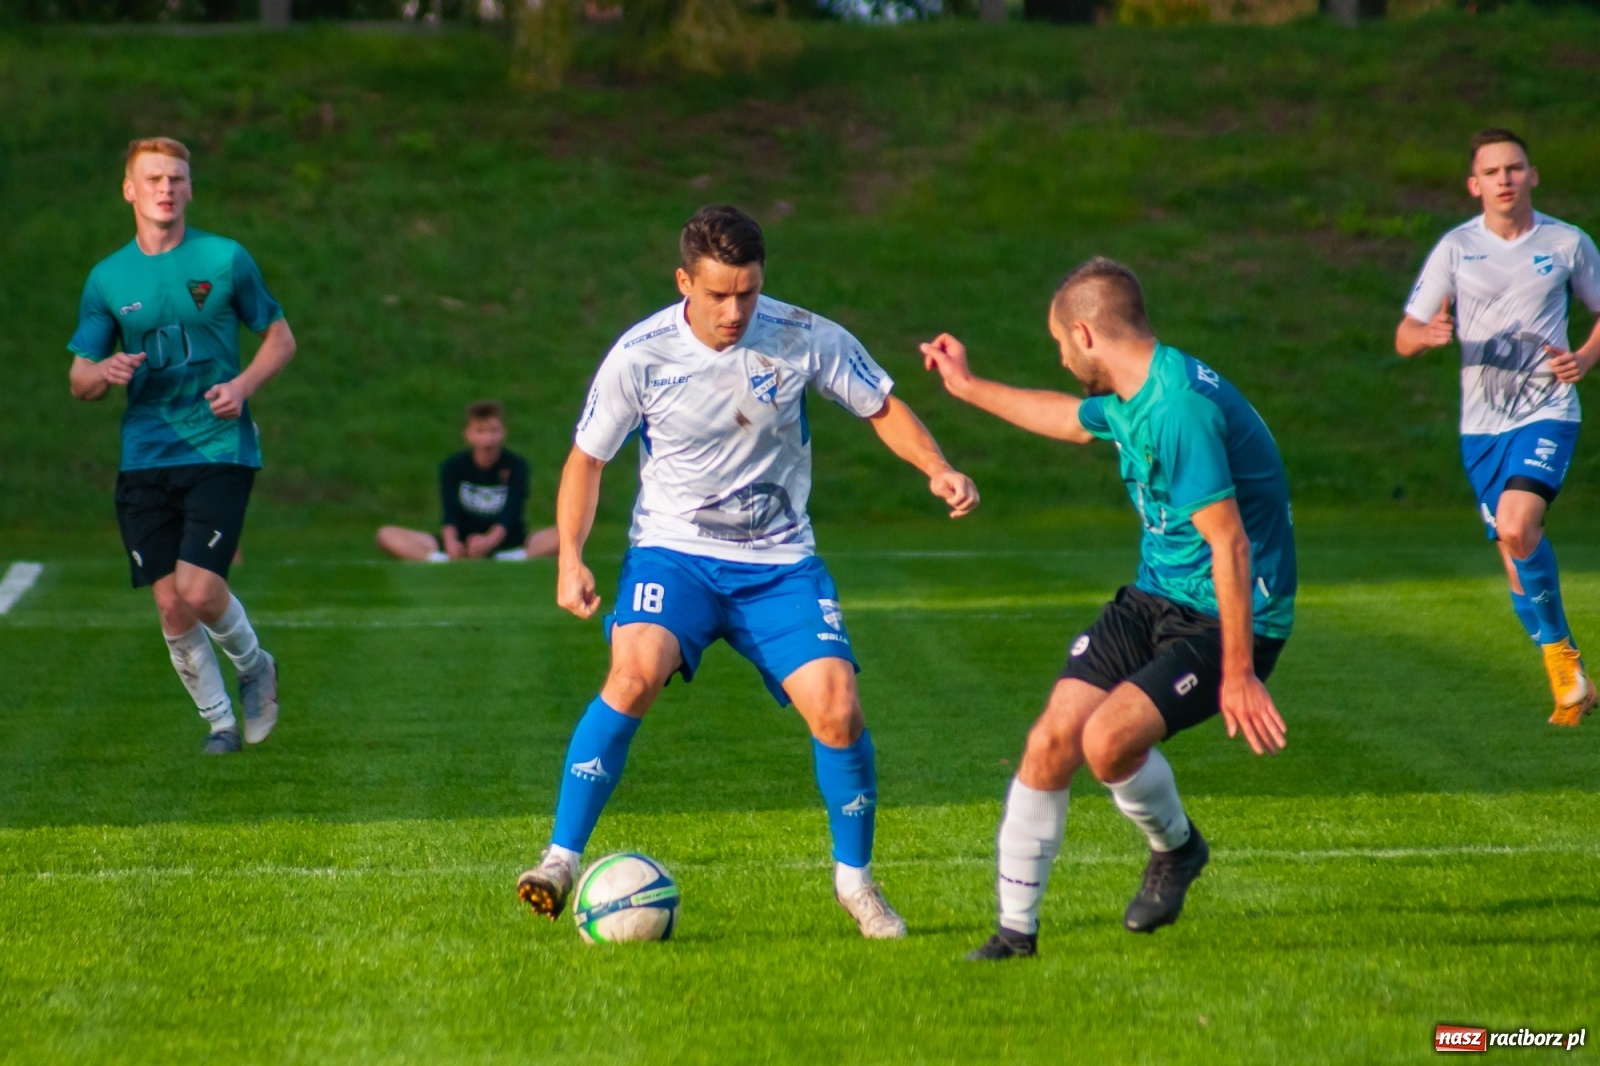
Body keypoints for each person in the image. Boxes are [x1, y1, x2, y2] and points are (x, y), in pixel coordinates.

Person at [515, 204, 980, 939]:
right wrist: (570, 557)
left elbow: (881, 406)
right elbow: (587, 460)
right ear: (684, 283)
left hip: (780, 565)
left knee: (838, 708)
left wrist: (937, 467)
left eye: (749, 292)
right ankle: (560, 860)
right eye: (718, 294)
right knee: (632, 676)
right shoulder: (640, 355)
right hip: (674, 554)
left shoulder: (801, 335)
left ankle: (856, 883)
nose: (735, 311)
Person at [921, 257, 1296, 960]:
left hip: (1227, 614)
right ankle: (1015, 936)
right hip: (1155, 595)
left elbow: (1231, 544)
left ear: (1086, 334)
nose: (1061, 359)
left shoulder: (1177, 408)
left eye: (1060, 344)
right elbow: (1069, 420)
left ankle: (1177, 848)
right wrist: (967, 388)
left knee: (1107, 742)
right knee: (1051, 740)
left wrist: (1240, 673)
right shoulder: (1133, 392)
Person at [67, 137, 295, 755]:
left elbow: (280, 338)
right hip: (145, 455)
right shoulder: (108, 278)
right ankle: (220, 724)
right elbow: (80, 378)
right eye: (153, 178)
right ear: (129, 190)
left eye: (176, 178)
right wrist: (104, 369)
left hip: (218, 448)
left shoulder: (224, 258)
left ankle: (254, 666)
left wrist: (242, 386)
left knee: (198, 590)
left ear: (190, 189)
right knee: (171, 605)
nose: (165, 188)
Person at [1396, 128, 1600, 728]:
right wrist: (1427, 334)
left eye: (1514, 168)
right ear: (1474, 185)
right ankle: (1572, 675)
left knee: (1517, 524)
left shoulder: (1567, 243)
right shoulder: (1456, 249)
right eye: (1492, 172)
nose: (1504, 179)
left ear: (1532, 175)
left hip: (1548, 410)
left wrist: (1585, 358)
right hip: (1482, 428)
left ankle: (1561, 660)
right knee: (1514, 554)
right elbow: (1405, 335)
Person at [375, 401, 558, 562]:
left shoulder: (516, 466)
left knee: (565, 534)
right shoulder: (453, 466)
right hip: (462, 541)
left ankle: (512, 558)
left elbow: (511, 512)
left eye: (493, 431)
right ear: (468, 434)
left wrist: (489, 541)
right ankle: (441, 560)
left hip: (508, 542)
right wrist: (451, 542)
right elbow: (449, 511)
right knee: (385, 535)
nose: (488, 439)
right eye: (480, 431)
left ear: (503, 433)